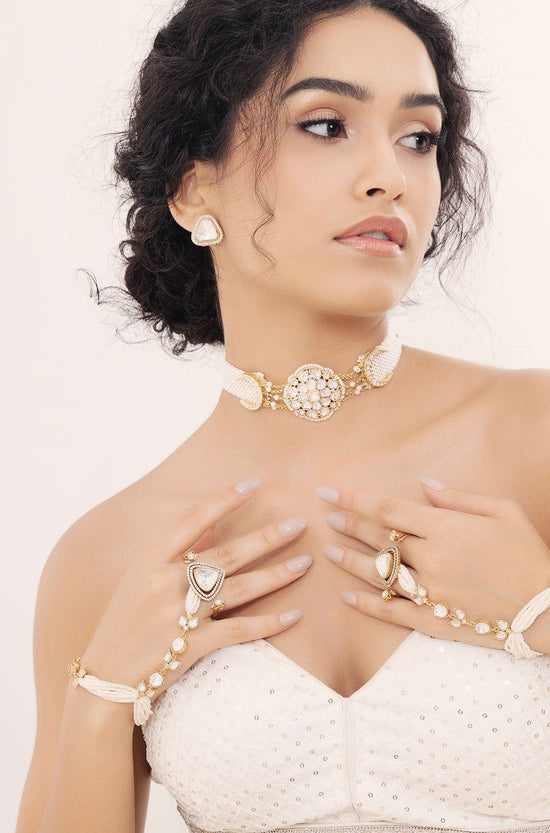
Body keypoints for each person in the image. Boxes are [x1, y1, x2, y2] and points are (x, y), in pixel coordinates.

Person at [15, 1, 550, 831]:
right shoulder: (107, 557)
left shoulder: (532, 434)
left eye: (419, 138)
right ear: (194, 188)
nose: (389, 175)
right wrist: (102, 698)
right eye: (327, 125)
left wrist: (542, 613)